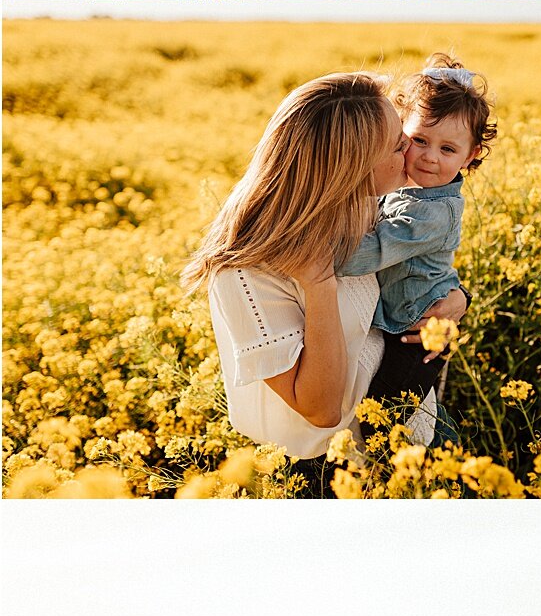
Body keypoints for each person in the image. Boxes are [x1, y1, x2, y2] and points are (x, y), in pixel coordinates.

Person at [183, 75, 466, 497]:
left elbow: (422, 266)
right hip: (320, 476)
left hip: (412, 431)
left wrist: (458, 298)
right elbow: (321, 409)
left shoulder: (359, 208)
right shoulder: (245, 273)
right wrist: (318, 284)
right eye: (397, 143)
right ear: (350, 166)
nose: (412, 150)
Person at [339, 55, 491, 435]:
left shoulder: (433, 212)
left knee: (386, 421)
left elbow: (373, 252)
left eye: (447, 149)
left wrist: (318, 254)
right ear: (399, 133)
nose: (428, 156)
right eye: (419, 140)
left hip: (419, 334)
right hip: (406, 319)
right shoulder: (408, 188)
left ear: (470, 156)